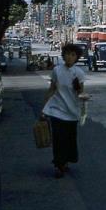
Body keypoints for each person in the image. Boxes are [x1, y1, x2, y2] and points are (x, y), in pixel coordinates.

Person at [41, 43, 86, 178]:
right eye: (67, 54)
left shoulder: (79, 73)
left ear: (77, 57)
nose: (69, 57)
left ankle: (65, 161)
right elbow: (52, 89)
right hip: (57, 109)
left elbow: (81, 93)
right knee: (58, 138)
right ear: (63, 55)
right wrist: (44, 108)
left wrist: (80, 91)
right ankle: (58, 165)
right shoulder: (57, 70)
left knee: (69, 139)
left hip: (72, 111)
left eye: (73, 55)